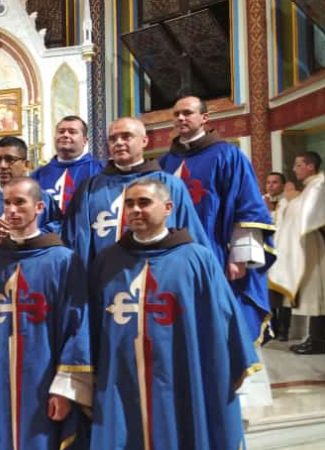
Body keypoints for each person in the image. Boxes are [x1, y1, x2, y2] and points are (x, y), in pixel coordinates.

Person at [88, 178, 259, 450]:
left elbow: (222, 321)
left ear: (167, 207)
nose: (134, 210)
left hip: (181, 374)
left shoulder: (196, 259)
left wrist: (225, 368)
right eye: (129, 204)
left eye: (144, 202)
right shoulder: (108, 261)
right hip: (120, 378)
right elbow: (92, 325)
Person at [0, 177, 91, 450]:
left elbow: (77, 325)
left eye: (20, 202)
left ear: (39, 207)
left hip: (44, 379)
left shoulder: (64, 261)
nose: (11, 210)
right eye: (7, 203)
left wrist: (65, 387)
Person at [158, 96, 275, 343]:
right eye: (176, 114)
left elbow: (247, 206)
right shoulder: (165, 162)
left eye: (187, 113)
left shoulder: (228, 155)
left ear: (204, 118)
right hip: (170, 254)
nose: (181, 118)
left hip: (216, 251)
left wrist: (240, 257)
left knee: (218, 322)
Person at [62, 117, 207, 265]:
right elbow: (76, 241)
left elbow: (191, 236)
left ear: (144, 141)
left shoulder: (170, 185)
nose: (118, 143)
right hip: (103, 277)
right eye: (113, 139)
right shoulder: (89, 189)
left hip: (159, 275)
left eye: (126, 137)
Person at [0, 136, 62, 274]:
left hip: (33, 271)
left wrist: (26, 236)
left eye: (9, 160)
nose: (2, 165)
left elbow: (58, 233)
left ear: (26, 164)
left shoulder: (43, 199)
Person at [269, 152, 325, 354]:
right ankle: (313, 338)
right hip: (307, 246)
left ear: (310, 166)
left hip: (314, 247)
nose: (294, 169)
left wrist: (290, 200)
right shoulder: (310, 186)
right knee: (313, 294)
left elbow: (306, 216)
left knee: (319, 295)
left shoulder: (317, 184)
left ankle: (318, 341)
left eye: (299, 165)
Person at [31, 116, 105, 211]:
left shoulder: (100, 171)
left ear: (84, 141)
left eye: (72, 132)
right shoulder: (38, 175)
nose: (65, 135)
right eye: (61, 131)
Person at [264, 172, 292, 341]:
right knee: (269, 292)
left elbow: (283, 224)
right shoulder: (260, 200)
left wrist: (270, 211)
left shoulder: (287, 201)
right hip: (266, 252)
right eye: (268, 182)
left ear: (282, 184)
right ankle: (271, 328)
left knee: (283, 291)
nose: (271, 186)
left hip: (284, 251)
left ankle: (284, 330)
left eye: (275, 182)